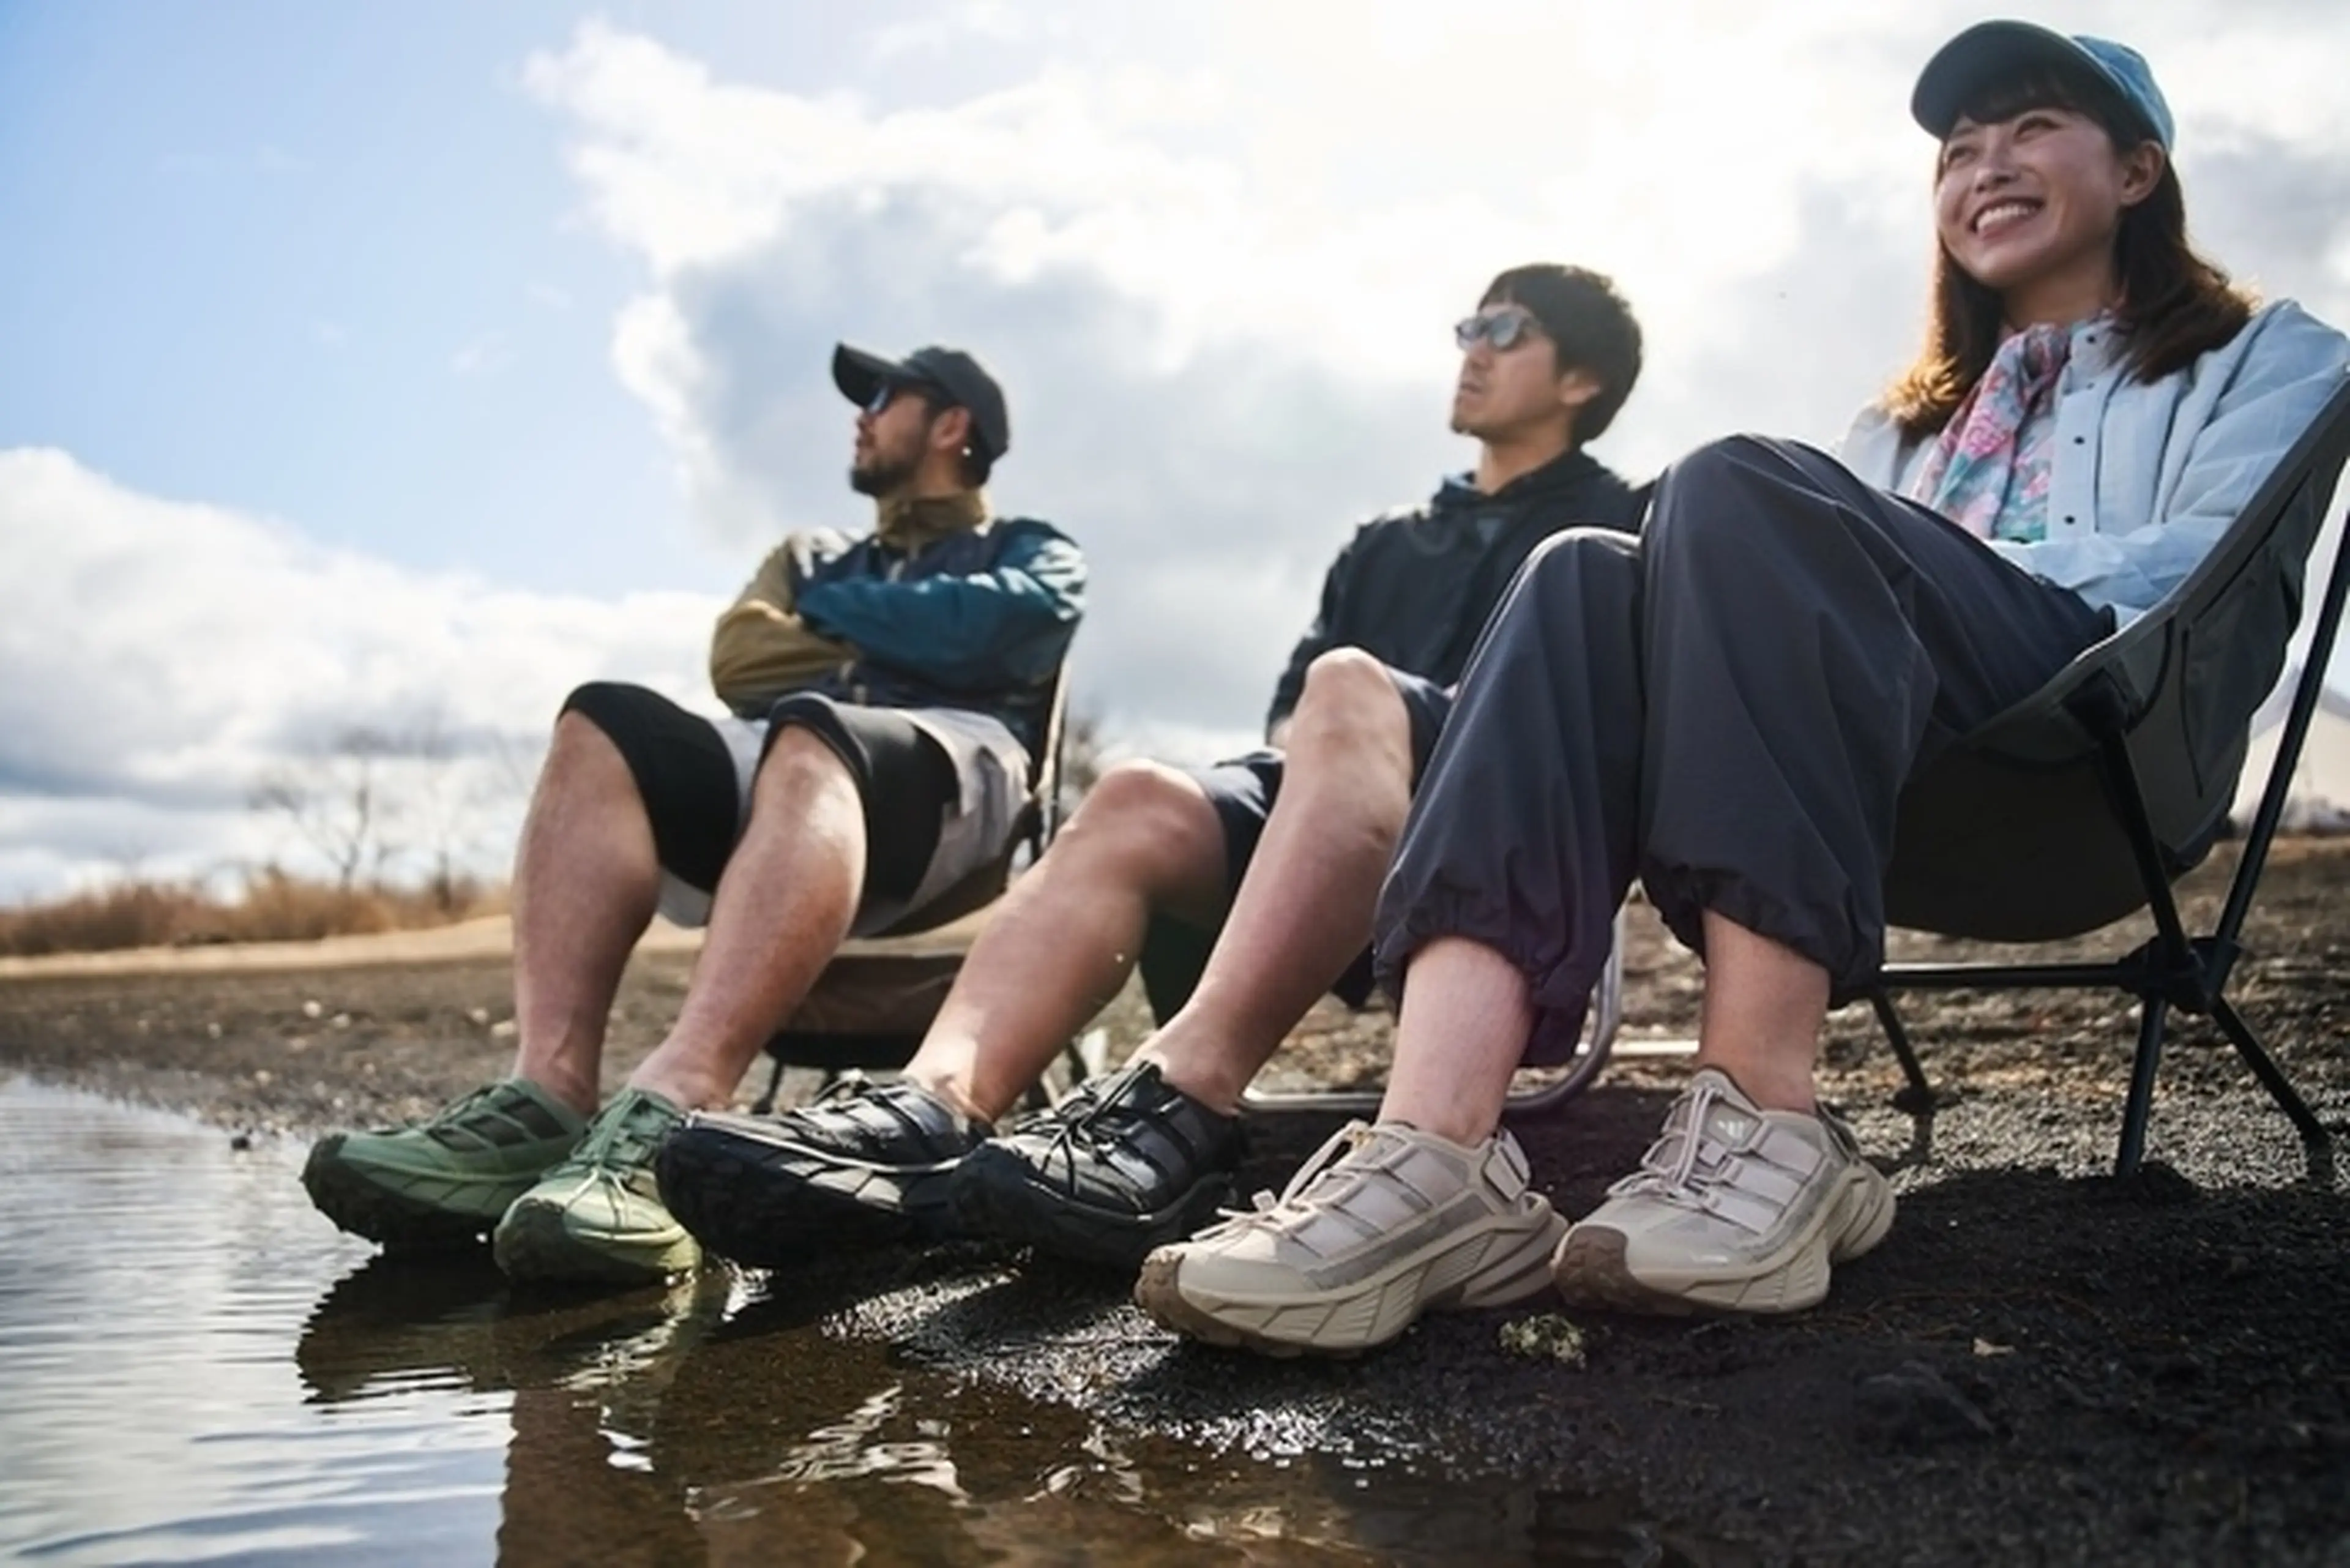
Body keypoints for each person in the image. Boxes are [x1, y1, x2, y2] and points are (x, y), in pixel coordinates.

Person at [1135, 21, 2350, 1356]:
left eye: (2032, 128)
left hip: (2104, 746)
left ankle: (1769, 1117)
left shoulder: (2269, 355)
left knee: (1730, 485)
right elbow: (1776, 597)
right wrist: (1840, 564)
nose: (1985, 166)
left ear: (2135, 172)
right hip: (1882, 793)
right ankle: (1437, 1158)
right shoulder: (1902, 430)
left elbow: (2197, 577)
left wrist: (1900, 559)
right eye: (1958, 148)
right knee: (1582, 572)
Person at [652, 265, 1648, 1272]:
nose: (1472, 346)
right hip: (1337, 816)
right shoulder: (1386, 542)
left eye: (1505, 328)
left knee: (1349, 686)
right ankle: (934, 1103)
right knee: (1137, 792)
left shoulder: (1615, 528)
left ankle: (1186, 1090)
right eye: (1468, 322)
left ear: (1581, 380)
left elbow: (1605, 728)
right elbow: (1287, 715)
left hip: (1500, 825)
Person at [301, 343, 1085, 1288]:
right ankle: (545, 1096)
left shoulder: (1028, 548)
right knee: (605, 721)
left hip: (956, 777)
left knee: (813, 726)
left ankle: (676, 1105)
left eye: (881, 396)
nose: (860, 415)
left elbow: (1013, 625)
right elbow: (740, 659)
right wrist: (917, 624)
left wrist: (833, 620)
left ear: (952, 423)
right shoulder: (811, 552)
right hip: (787, 788)